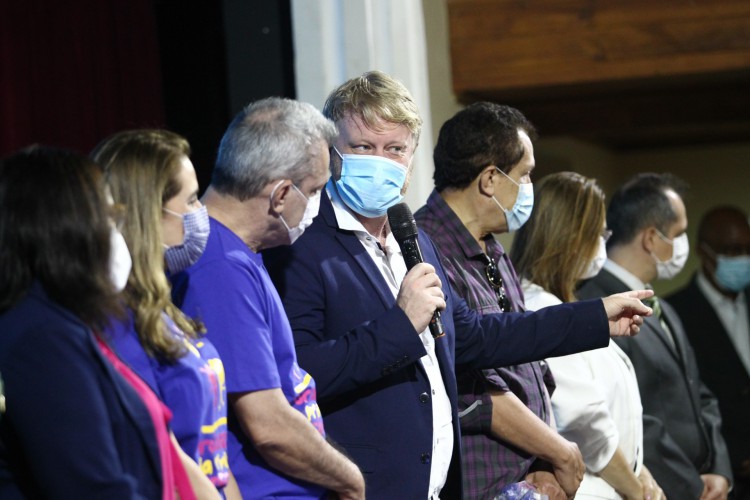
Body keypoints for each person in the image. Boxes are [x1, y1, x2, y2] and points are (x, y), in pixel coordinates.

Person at [263, 70, 653, 499]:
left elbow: (474, 337)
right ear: (332, 151)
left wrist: (596, 316)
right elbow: (301, 374)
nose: (380, 161)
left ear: (412, 156)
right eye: (362, 147)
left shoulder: (411, 239)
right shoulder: (301, 244)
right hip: (364, 486)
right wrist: (400, 324)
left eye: (394, 149)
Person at [169, 97, 365, 499]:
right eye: (313, 190)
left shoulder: (238, 254)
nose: (316, 204)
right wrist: (351, 482)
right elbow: (268, 425)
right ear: (279, 195)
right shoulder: (218, 266)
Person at [0, 146, 195, 498]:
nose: (116, 235)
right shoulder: (42, 338)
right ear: (63, 228)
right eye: (106, 218)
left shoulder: (64, 322)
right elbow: (92, 488)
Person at [413, 102, 583, 500]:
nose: (529, 189)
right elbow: (469, 391)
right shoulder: (423, 250)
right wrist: (557, 451)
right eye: (525, 175)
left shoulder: (493, 249)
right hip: (482, 487)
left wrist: (544, 463)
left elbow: (530, 373)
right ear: (491, 178)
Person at [92, 129, 239, 499]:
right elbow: (161, 454)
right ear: (147, 213)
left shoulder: (164, 307)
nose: (200, 213)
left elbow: (214, 456)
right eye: (190, 201)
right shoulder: (116, 324)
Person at [578, 172, 733, 500]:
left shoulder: (661, 304)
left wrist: (719, 468)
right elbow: (632, 418)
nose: (682, 245)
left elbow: (699, 391)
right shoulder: (596, 305)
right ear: (651, 238)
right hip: (660, 488)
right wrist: (691, 487)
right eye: (678, 234)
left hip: (701, 479)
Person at [511, 171, 664, 500]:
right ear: (569, 236)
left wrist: (641, 471)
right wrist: (636, 490)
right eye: (598, 231)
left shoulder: (567, 306)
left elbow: (614, 420)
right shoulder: (540, 310)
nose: (603, 240)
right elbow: (586, 423)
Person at [667, 206, 750, 499]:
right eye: (732, 250)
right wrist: (733, 457)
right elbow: (680, 402)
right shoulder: (675, 312)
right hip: (723, 476)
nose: (743, 258)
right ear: (705, 252)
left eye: (747, 248)